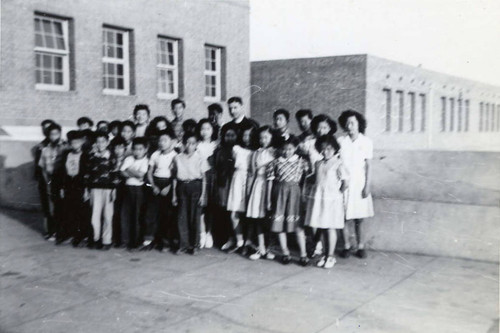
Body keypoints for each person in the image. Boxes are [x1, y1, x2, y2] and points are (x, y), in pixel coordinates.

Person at [304, 135, 349, 269]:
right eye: (322, 149)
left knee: (330, 227)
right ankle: (324, 254)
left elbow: (345, 183)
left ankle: (330, 256)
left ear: (335, 149)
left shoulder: (338, 163)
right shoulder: (318, 163)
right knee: (321, 226)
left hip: (332, 200)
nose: (325, 151)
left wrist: (336, 194)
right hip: (319, 198)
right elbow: (315, 178)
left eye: (329, 148)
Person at [267, 136, 310, 266]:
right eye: (284, 149)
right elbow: (270, 183)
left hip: (295, 194)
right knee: (280, 225)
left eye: (290, 149)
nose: (287, 152)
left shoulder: (302, 162)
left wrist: (304, 196)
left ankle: (303, 254)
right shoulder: (275, 163)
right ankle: (285, 253)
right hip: (279, 193)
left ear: (295, 148)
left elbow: (307, 181)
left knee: (297, 225)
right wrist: (268, 200)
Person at [338, 110, 374, 259]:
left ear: (359, 124)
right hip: (344, 182)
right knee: (343, 216)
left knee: (360, 217)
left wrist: (367, 185)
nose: (349, 126)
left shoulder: (366, 142)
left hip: (359, 183)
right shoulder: (341, 141)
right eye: (347, 123)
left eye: (352, 122)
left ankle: (360, 246)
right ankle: (346, 245)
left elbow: (369, 166)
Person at [171, 132, 208, 254]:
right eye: (187, 143)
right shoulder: (177, 158)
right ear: (183, 143)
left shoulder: (200, 158)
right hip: (182, 187)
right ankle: (183, 245)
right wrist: (174, 195)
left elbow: (204, 178)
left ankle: (195, 245)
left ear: (196, 144)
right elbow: (175, 177)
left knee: (194, 217)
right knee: (182, 217)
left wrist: (203, 195)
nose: (189, 146)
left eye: (192, 143)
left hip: (195, 186)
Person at [223, 125, 256, 253]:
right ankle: (239, 240)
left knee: (249, 213)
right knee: (234, 212)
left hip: (250, 180)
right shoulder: (236, 149)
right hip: (237, 179)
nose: (246, 138)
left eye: (250, 135)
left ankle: (248, 242)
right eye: (244, 135)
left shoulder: (255, 151)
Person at [246, 126, 276, 261]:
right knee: (257, 218)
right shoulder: (256, 153)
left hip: (270, 185)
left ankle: (268, 248)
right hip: (258, 185)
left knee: (268, 219)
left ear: (271, 138)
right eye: (261, 137)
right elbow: (252, 172)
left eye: (266, 137)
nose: (263, 140)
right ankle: (260, 247)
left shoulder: (275, 152)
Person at [145, 128, 177, 251]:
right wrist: (153, 186)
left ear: (172, 141)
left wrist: (168, 187)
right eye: (160, 140)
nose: (162, 143)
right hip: (156, 183)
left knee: (167, 215)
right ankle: (150, 240)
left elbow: (176, 174)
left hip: (169, 184)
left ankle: (165, 241)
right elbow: (149, 172)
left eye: (165, 140)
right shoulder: (155, 154)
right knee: (152, 213)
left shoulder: (175, 155)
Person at [86, 131, 117, 250]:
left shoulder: (111, 157)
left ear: (107, 142)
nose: (100, 144)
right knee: (95, 215)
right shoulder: (92, 156)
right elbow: (88, 174)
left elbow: (115, 174)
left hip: (108, 190)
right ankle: (95, 238)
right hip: (95, 189)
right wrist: (86, 189)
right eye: (98, 142)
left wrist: (114, 189)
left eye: (103, 141)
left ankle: (106, 240)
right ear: (95, 143)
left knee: (108, 215)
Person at [56, 130, 88, 246]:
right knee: (69, 211)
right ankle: (69, 234)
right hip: (69, 185)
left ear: (82, 142)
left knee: (81, 211)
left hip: (80, 186)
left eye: (77, 143)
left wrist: (86, 190)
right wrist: (62, 188)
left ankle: (80, 236)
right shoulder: (67, 154)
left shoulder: (85, 155)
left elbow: (87, 173)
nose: (75, 145)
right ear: (69, 143)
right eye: (73, 143)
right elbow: (63, 173)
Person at [38, 123, 67, 241]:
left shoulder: (66, 147)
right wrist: (47, 183)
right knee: (51, 207)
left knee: (63, 207)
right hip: (50, 181)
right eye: (52, 134)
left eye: (56, 134)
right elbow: (43, 168)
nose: (54, 136)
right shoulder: (45, 150)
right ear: (48, 135)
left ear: (60, 134)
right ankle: (52, 232)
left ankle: (62, 232)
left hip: (62, 180)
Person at [120, 137, 149, 250]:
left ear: (145, 149)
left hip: (138, 189)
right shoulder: (129, 158)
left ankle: (136, 241)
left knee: (137, 215)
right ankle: (126, 240)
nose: (137, 152)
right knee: (126, 214)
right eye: (135, 149)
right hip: (128, 188)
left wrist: (129, 170)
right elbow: (122, 172)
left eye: (140, 149)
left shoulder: (145, 160)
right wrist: (133, 172)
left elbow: (141, 175)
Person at [196, 119, 218, 249]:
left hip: (212, 177)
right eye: (202, 129)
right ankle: (202, 233)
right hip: (200, 176)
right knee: (200, 206)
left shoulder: (216, 145)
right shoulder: (197, 145)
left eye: (208, 129)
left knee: (211, 207)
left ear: (212, 130)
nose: (205, 132)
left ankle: (209, 233)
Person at [33, 119, 55, 235]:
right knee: (46, 207)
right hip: (43, 180)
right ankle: (49, 231)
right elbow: (38, 166)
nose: (46, 130)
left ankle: (57, 230)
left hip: (56, 180)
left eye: (48, 127)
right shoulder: (40, 146)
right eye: (44, 128)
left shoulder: (60, 145)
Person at [109, 136, 127, 247]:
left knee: (123, 213)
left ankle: (122, 238)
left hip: (125, 188)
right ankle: (115, 237)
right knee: (114, 213)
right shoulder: (111, 160)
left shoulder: (128, 159)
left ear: (125, 148)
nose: (118, 150)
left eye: (121, 148)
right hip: (113, 189)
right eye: (116, 148)